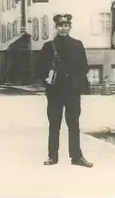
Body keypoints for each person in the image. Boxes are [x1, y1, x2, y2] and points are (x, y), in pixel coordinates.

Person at [37, 14, 93, 168]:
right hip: (55, 92)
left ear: (70, 27)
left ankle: (77, 157)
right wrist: (48, 80)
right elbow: (40, 68)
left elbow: (84, 66)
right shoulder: (48, 46)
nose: (63, 28)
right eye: (60, 26)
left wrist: (75, 77)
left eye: (66, 25)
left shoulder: (77, 45)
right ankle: (52, 156)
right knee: (54, 124)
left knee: (73, 123)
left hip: (72, 91)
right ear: (56, 27)